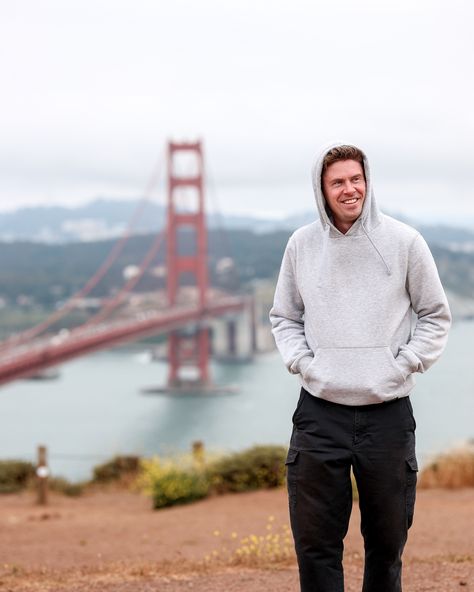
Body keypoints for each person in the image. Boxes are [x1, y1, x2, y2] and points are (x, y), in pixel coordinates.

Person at [269, 143, 451, 592]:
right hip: (319, 412)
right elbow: (284, 317)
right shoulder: (301, 245)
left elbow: (434, 315)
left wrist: (402, 365)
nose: (350, 190)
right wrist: (305, 365)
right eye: (338, 182)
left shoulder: (405, 242)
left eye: (356, 179)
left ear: (367, 181)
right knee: (315, 548)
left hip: (387, 414)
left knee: (386, 547)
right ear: (322, 190)